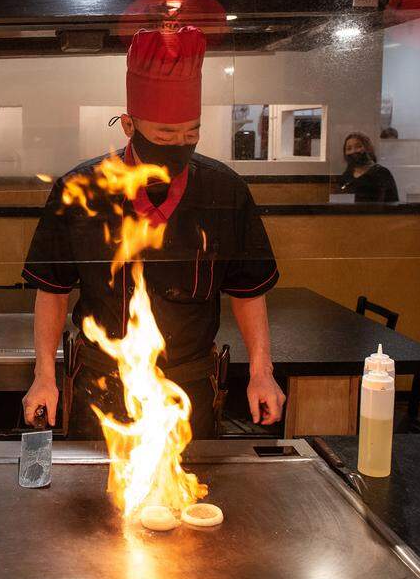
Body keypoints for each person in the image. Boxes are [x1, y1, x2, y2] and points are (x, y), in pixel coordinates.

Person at [20, 26, 287, 439]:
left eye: (190, 133)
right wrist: (44, 376)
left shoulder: (224, 191)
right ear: (129, 125)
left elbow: (249, 291)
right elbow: (52, 291)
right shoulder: (81, 190)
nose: (179, 144)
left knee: (190, 500)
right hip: (102, 385)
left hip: (189, 389)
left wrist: (262, 372)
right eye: (164, 135)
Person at [338, 132, 399, 203]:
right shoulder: (346, 175)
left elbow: (392, 203)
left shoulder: (382, 173)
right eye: (349, 148)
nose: (353, 151)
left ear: (368, 148)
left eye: (358, 146)